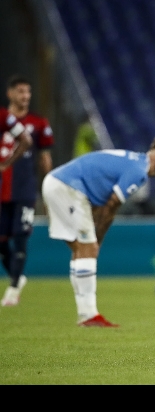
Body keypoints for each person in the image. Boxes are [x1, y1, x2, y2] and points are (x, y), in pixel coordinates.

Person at [41, 135, 155, 326]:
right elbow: (111, 206)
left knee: (81, 250)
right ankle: (89, 315)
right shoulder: (138, 171)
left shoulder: (134, 161)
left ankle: (85, 313)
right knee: (88, 249)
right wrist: (97, 240)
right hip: (67, 187)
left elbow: (102, 202)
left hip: (59, 183)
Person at [0, 75, 53, 307]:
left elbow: (44, 159)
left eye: (28, 91)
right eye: (21, 91)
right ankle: (18, 277)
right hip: (2, 190)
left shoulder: (39, 123)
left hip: (24, 190)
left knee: (20, 238)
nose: (25, 96)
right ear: (10, 93)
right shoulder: (3, 119)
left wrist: (48, 193)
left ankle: (13, 289)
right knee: (2, 241)